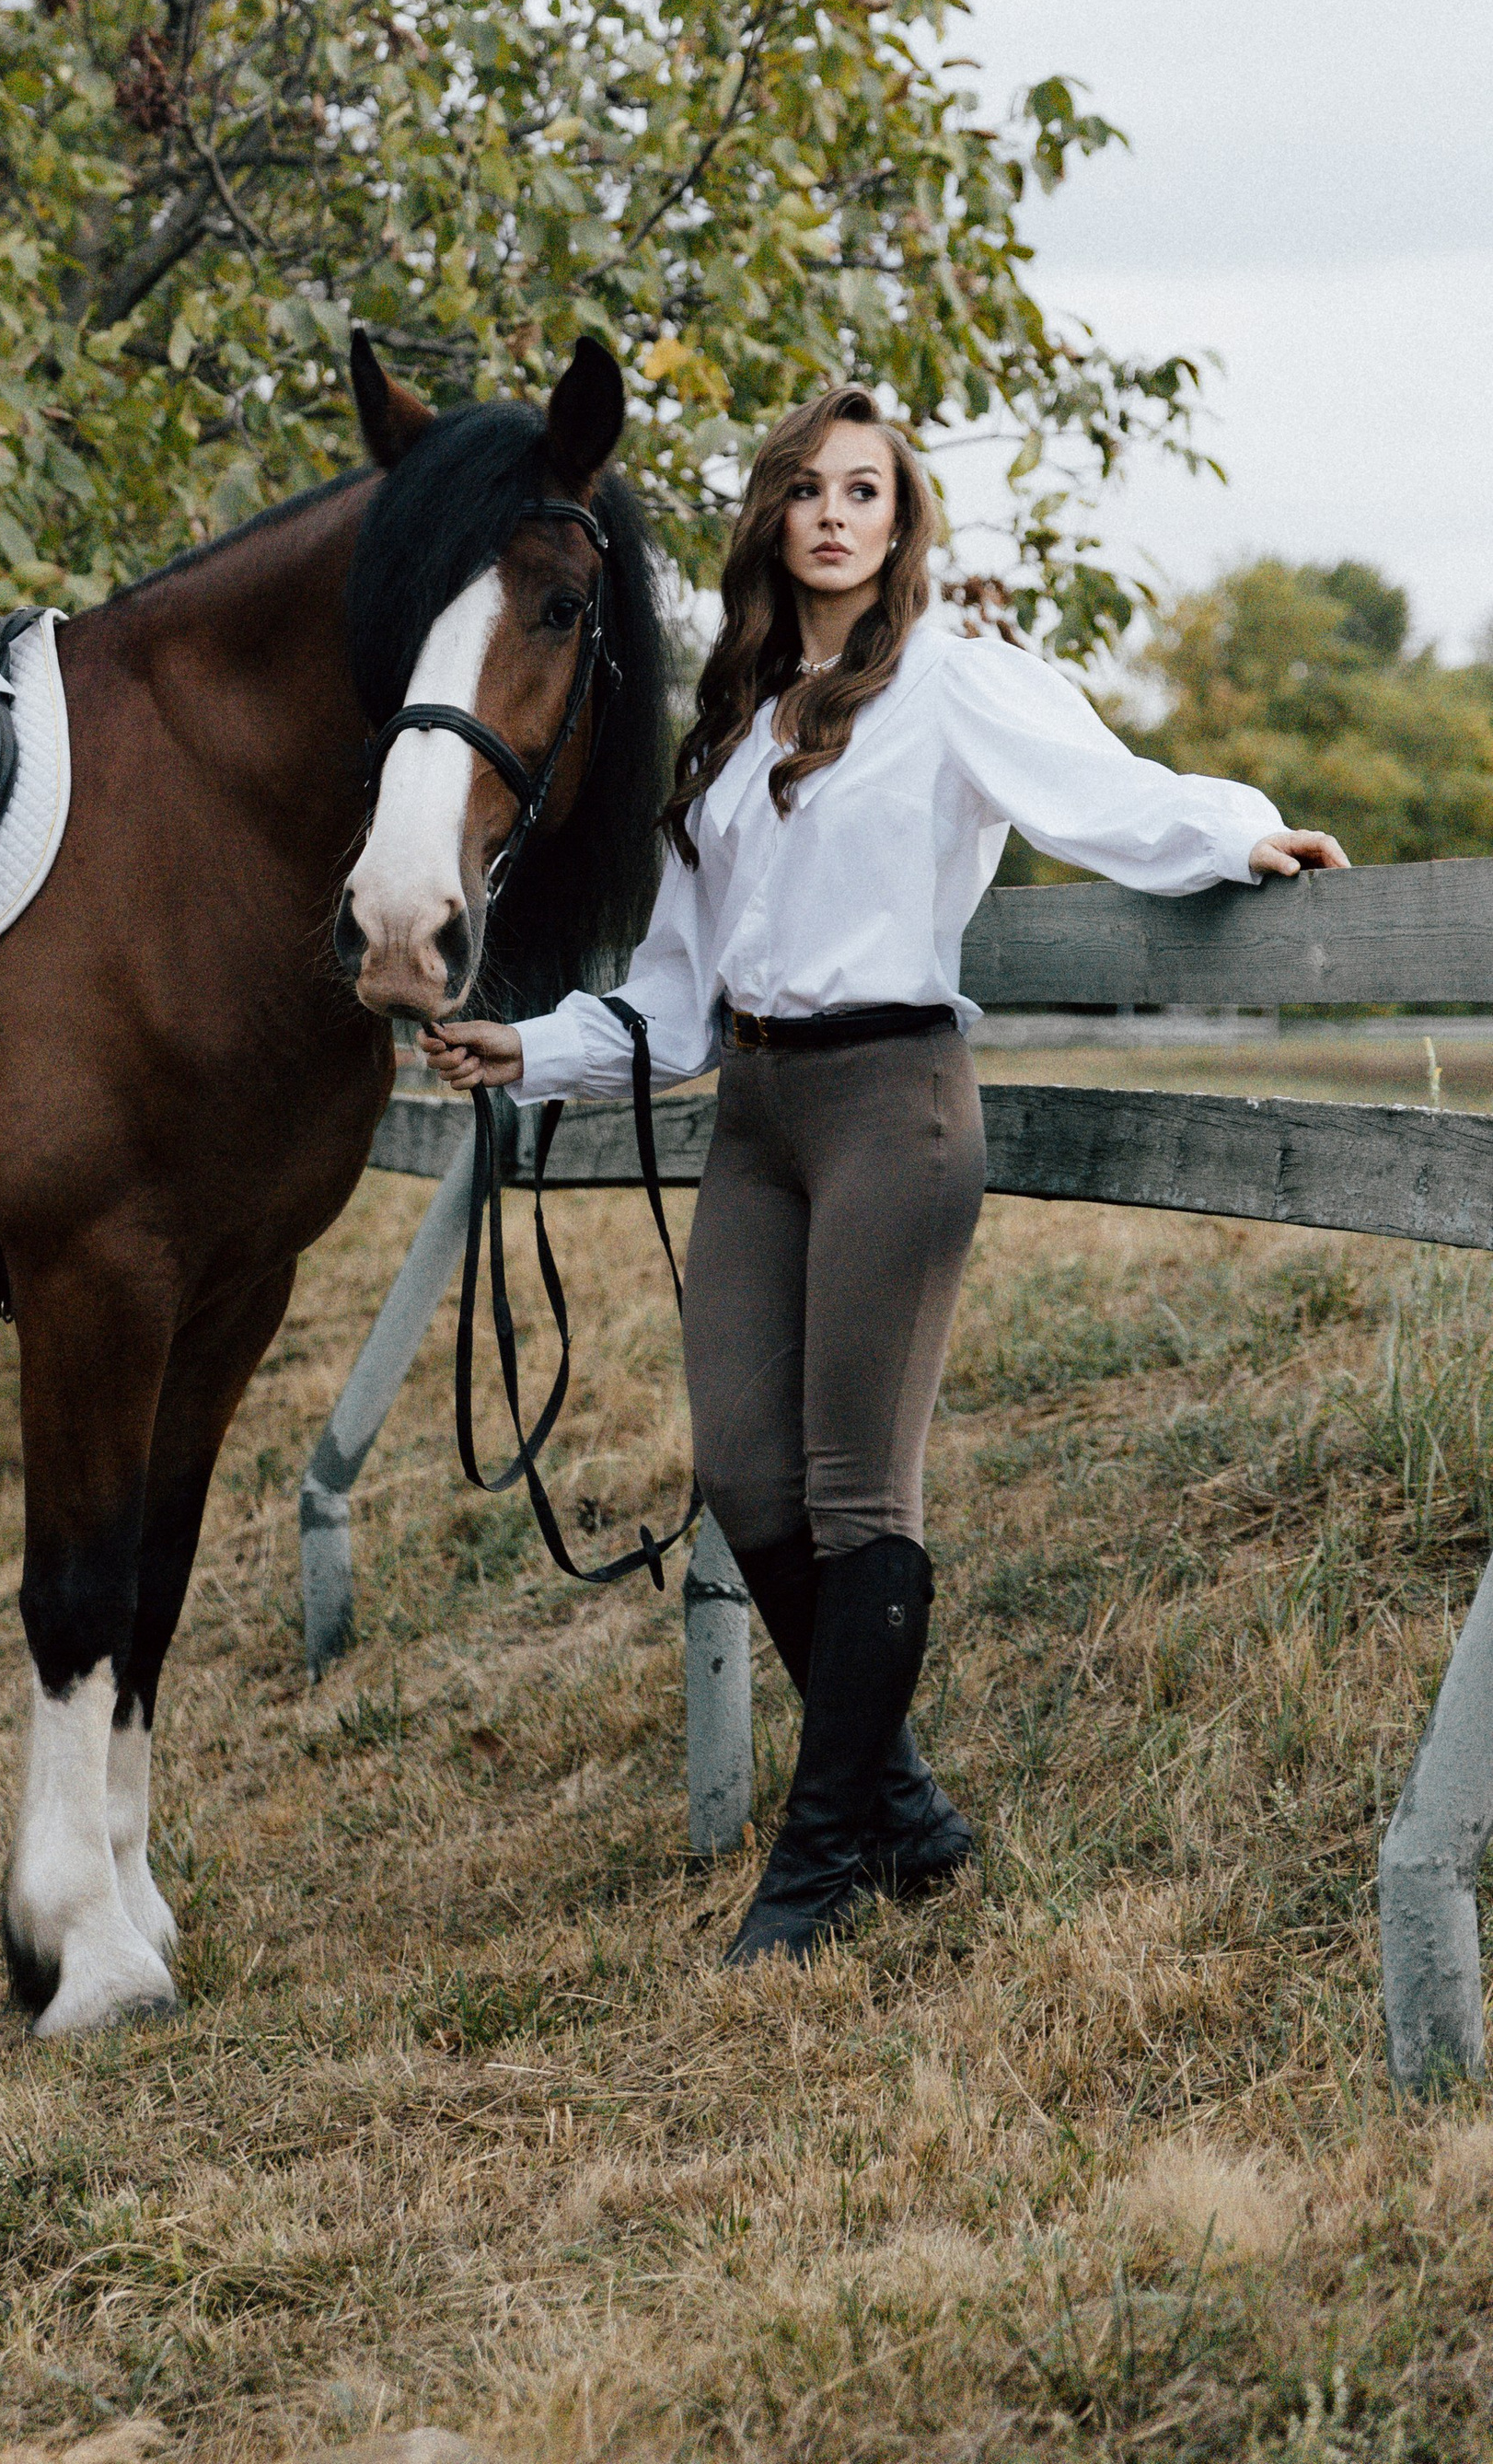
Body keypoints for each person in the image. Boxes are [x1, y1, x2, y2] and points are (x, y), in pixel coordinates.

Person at [422, 384, 1346, 1964]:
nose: (837, 514)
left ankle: (817, 1860)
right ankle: (901, 1806)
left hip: (891, 1103)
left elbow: (1107, 791)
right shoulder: (729, 724)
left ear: (902, 518)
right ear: (772, 516)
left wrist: (1237, 835)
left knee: (859, 1492)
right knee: (744, 1476)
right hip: (759, 1113)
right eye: (809, 489)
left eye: (867, 489)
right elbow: (674, 996)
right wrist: (533, 1047)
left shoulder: (948, 681)